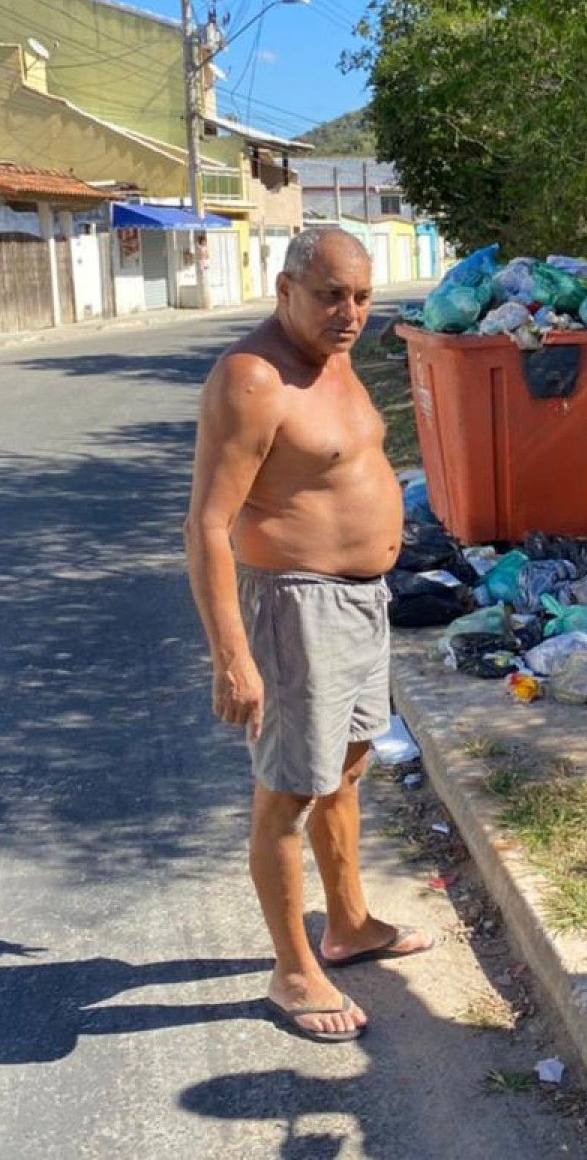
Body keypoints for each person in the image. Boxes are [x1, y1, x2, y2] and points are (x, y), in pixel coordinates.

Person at [186, 228, 434, 1043]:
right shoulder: (252, 378)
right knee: (289, 790)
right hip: (296, 608)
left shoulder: (337, 357)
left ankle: (349, 925)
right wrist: (233, 656)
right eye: (331, 294)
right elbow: (209, 525)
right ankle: (292, 969)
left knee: (348, 771)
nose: (350, 312)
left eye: (361, 296)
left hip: (363, 603)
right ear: (284, 286)